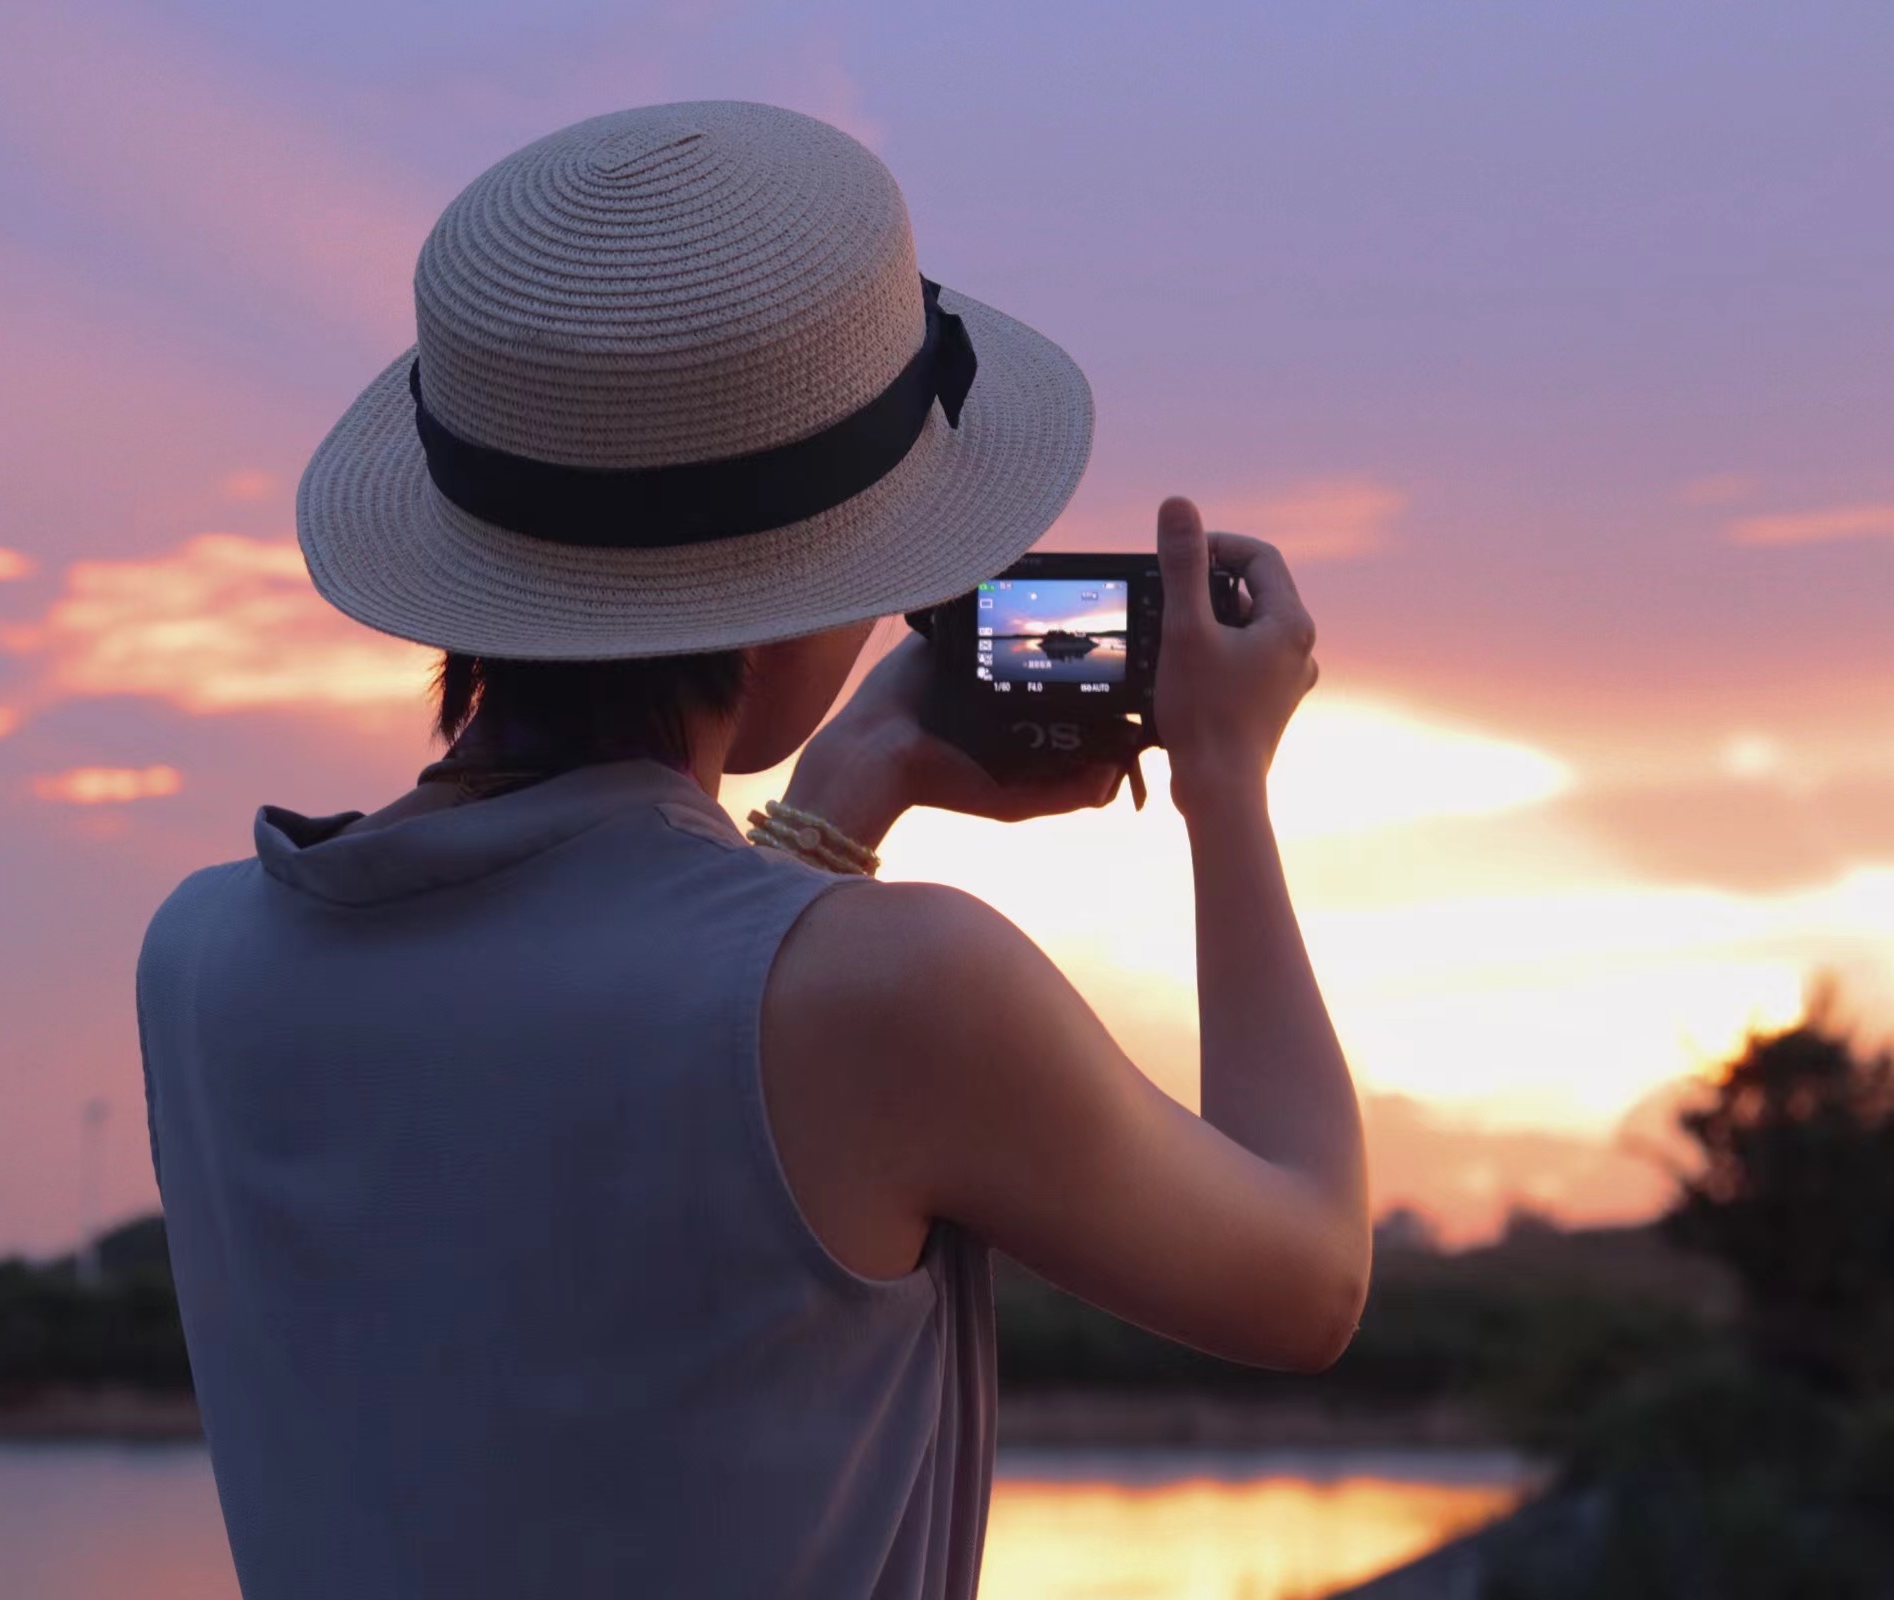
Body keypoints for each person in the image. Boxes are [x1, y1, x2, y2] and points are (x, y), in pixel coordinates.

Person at [136, 100, 1366, 1599]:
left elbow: (646, 1070)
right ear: (796, 607)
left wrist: (847, 786)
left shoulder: (200, 960)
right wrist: (1223, 782)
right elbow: (1309, 1274)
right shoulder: (902, 989)